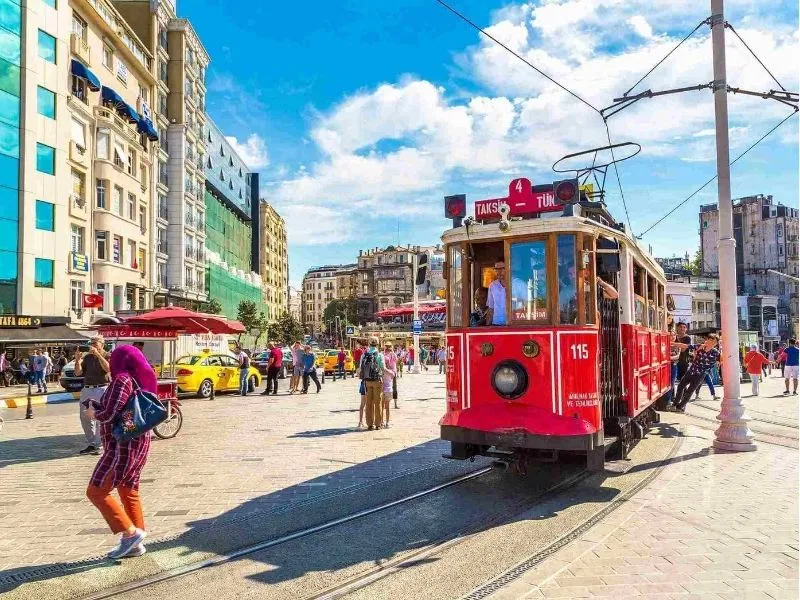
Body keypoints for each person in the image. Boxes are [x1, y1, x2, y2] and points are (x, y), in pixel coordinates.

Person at [84, 344, 156, 559]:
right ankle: (135, 542)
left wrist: (92, 412)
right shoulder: (137, 379)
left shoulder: (121, 380)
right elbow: (123, 409)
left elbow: (109, 414)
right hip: (138, 443)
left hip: (121, 447)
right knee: (128, 489)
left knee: (96, 491)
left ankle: (130, 533)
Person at [75, 337, 110, 455]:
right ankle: (92, 443)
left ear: (102, 344)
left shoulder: (107, 355)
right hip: (87, 388)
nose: (93, 345)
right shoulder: (88, 357)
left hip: (101, 388)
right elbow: (78, 372)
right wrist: (77, 360)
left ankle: (100, 444)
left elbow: (108, 368)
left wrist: (99, 356)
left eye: (95, 343)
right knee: (85, 416)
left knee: (100, 416)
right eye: (91, 343)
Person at [672, 334, 721, 413]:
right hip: (691, 371)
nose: (713, 343)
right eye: (711, 340)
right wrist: (672, 343)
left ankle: (680, 407)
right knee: (681, 386)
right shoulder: (699, 347)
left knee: (690, 391)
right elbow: (685, 346)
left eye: (715, 342)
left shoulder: (716, 353)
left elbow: (722, 360)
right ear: (707, 340)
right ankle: (675, 403)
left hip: (700, 374)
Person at [359, 337, 385, 430]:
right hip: (377, 381)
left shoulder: (364, 354)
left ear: (369, 344)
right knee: (377, 402)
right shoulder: (379, 355)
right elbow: (383, 367)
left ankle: (369, 423)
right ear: (377, 344)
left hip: (367, 381)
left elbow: (360, 369)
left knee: (368, 402)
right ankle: (378, 424)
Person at [486, 261, 507, 326]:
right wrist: (487, 328)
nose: (498, 272)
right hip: (496, 324)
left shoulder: (518, 284)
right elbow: (491, 308)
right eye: (496, 269)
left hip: (512, 325)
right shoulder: (492, 285)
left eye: (501, 269)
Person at [381, 341, 397, 427]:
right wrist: (390, 372)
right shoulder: (393, 356)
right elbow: (394, 373)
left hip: (380, 385)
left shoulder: (380, 355)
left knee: (381, 405)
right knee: (387, 406)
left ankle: (381, 422)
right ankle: (387, 422)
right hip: (388, 385)